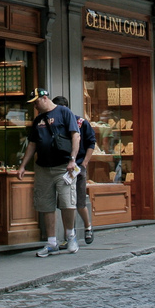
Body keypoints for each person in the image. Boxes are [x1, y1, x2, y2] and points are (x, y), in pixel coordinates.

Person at [18, 88, 81, 257]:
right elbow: (32, 144)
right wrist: (23, 165)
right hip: (43, 167)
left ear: (45, 98)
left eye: (36, 102)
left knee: (68, 201)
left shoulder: (64, 112)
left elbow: (76, 135)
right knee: (46, 204)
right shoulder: (38, 119)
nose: (36, 106)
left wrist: (72, 159)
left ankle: (70, 236)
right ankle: (52, 242)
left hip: (63, 166)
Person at [53, 96, 97, 247]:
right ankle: (69, 236)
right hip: (61, 168)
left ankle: (88, 227)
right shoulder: (56, 124)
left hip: (77, 167)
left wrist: (84, 163)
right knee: (66, 204)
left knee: (79, 202)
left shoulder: (81, 122)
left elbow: (91, 142)